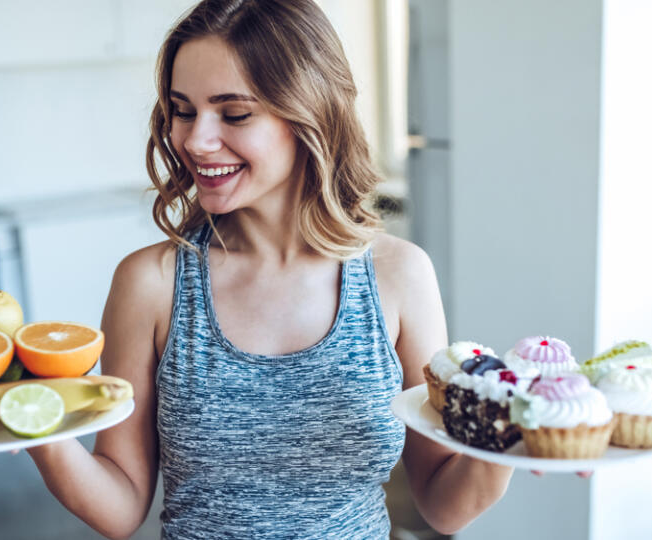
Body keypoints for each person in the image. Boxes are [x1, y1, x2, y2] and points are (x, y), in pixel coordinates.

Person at [26, 0, 514, 537]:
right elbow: (121, 507)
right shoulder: (153, 283)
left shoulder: (399, 276)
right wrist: (31, 421)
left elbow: (443, 504)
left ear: (311, 114)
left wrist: (509, 436)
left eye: (234, 114)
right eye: (183, 109)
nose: (193, 139)